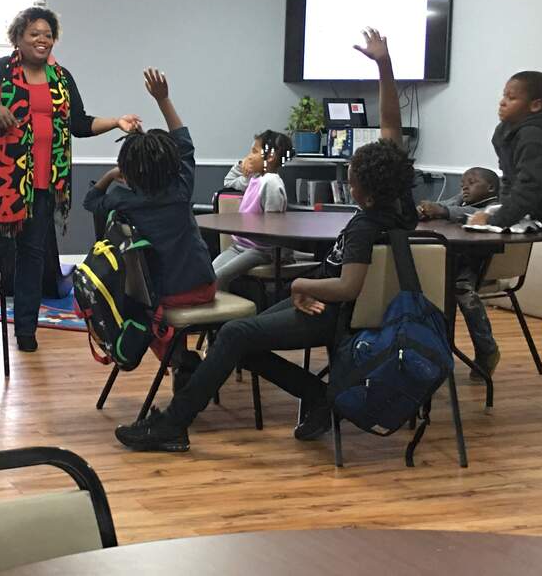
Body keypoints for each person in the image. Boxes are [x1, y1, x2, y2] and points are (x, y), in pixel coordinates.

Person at [115, 28, 416, 452]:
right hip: (337, 305)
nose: (348, 174)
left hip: (331, 309)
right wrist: (383, 65)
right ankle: (318, 395)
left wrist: (299, 285)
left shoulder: (367, 226)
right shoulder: (397, 204)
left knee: (236, 335)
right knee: (233, 334)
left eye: (351, 172)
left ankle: (173, 423)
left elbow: (348, 287)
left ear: (362, 189)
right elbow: (390, 124)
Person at [0, 7, 140, 352]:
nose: (42, 40)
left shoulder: (62, 78)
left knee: (33, 256)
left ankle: (26, 330)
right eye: (34, 34)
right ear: (17, 37)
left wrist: (117, 121)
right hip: (3, 184)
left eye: (47, 34)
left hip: (46, 186)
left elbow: (80, 123)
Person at [84, 68, 217, 388]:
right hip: (202, 286)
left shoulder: (122, 199)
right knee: (157, 312)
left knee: (145, 313)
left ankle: (178, 360)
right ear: (172, 164)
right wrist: (163, 99)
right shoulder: (181, 188)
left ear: (127, 170)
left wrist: (111, 175)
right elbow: (185, 143)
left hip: (161, 297)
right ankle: (188, 364)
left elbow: (91, 202)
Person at [468, 71, 542, 278]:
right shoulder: (503, 133)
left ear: (535, 106)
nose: (502, 103)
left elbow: (528, 188)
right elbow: (509, 179)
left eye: (511, 98)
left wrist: (495, 221)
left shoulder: (533, 137)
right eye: (504, 96)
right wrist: (502, 212)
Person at [419, 168, 503, 378]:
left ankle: (487, 349)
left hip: (476, 265)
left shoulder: (497, 206)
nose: (464, 186)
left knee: (462, 291)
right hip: (452, 260)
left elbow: (471, 215)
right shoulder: (462, 199)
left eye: (472, 182)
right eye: (463, 183)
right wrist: (426, 209)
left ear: (490, 187)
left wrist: (443, 211)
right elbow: (446, 205)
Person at [213, 130, 295, 291]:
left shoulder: (271, 183)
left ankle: (225, 313)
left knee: (219, 278)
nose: (249, 156)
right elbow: (229, 181)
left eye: (254, 152)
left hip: (262, 250)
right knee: (209, 275)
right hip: (240, 246)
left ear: (270, 157)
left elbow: (274, 228)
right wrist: (241, 164)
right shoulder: (254, 179)